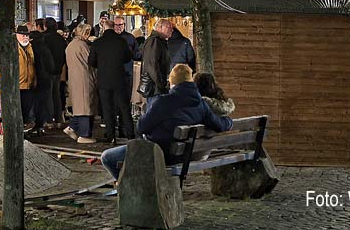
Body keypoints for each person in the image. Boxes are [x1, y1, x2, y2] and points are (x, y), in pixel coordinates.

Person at [100, 64, 233, 180]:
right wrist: (229, 121)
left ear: (173, 83)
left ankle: (126, 185)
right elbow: (220, 125)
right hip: (184, 155)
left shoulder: (163, 102)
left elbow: (141, 127)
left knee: (107, 157)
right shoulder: (201, 104)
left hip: (159, 153)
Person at [88, 16, 135, 143]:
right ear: (113, 27)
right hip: (119, 78)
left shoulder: (97, 43)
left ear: (103, 28)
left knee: (107, 108)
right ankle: (130, 134)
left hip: (104, 79)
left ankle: (111, 135)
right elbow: (128, 57)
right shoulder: (121, 41)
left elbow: (91, 62)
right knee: (124, 107)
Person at [64, 22, 97, 143]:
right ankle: (84, 135)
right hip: (85, 78)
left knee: (79, 106)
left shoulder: (71, 45)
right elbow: (92, 61)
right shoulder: (83, 46)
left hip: (74, 78)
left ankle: (72, 127)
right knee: (85, 106)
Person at [27, 20, 56, 136]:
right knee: (42, 103)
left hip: (33, 79)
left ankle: (33, 124)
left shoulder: (29, 49)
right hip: (45, 79)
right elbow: (51, 65)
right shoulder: (45, 48)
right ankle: (40, 125)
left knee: (32, 103)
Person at [39, 18, 67, 126]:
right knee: (56, 94)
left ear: (45, 26)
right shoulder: (60, 39)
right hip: (58, 70)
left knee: (48, 95)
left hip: (46, 71)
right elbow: (64, 55)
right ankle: (59, 118)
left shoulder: (44, 38)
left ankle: (49, 119)